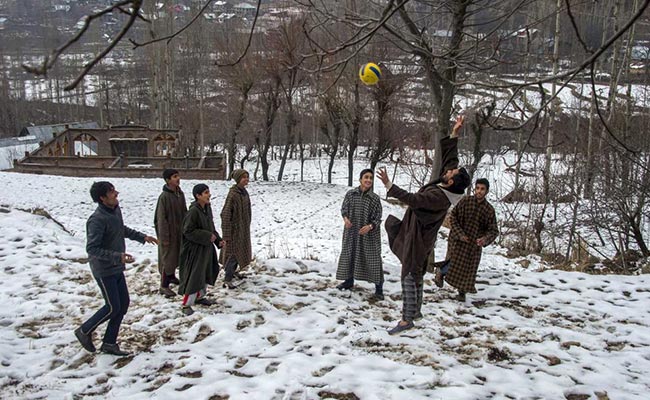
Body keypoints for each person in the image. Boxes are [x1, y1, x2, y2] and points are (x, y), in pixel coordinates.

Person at [377, 115, 471, 335]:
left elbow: (414, 200)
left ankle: (406, 319)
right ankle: (416, 312)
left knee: (409, 274)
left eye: (450, 173)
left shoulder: (440, 197)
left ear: (450, 182)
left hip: (418, 237)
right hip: (417, 233)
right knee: (416, 271)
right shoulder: (450, 186)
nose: (448, 170)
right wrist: (455, 133)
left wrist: (390, 185)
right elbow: (451, 161)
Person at [74, 182, 158, 356]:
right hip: (104, 270)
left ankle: (109, 343)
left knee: (123, 304)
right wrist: (116, 256)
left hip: (116, 267)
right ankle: (84, 331)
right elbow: (92, 249)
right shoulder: (96, 220)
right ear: (102, 198)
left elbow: (121, 230)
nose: (116, 193)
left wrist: (143, 237)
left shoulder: (115, 211)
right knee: (112, 306)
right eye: (111, 192)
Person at [434, 178, 499, 301]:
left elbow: (493, 230)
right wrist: (460, 234)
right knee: (454, 263)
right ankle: (441, 272)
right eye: (478, 188)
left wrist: (484, 240)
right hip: (458, 240)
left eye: (482, 189)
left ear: (487, 191)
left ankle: (462, 292)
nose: (479, 191)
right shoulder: (465, 201)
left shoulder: (489, 210)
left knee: (469, 268)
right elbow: (453, 217)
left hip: (474, 244)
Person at [335, 168, 384, 300]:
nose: (368, 180)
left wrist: (370, 226)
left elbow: (378, 218)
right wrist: (346, 219)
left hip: (369, 235)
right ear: (360, 179)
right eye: (366, 177)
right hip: (352, 232)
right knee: (350, 255)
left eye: (371, 178)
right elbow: (344, 209)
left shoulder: (374, 198)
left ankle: (379, 289)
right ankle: (349, 281)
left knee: (373, 259)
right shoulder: (351, 194)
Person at [178, 184, 224, 316]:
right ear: (198, 196)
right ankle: (186, 304)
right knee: (195, 276)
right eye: (205, 193)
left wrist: (217, 240)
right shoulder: (193, 212)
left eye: (208, 192)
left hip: (206, 248)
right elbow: (188, 231)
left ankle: (200, 296)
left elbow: (210, 227)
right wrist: (207, 236)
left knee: (205, 272)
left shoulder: (207, 208)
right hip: (195, 250)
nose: (209, 195)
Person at [154, 168, 187, 297]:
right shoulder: (164, 197)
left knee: (176, 256)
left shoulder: (180, 193)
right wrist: (164, 237)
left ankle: (172, 276)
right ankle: (164, 285)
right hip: (169, 233)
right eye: (174, 177)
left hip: (179, 231)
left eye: (178, 176)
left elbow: (184, 211)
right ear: (168, 180)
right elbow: (161, 219)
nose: (178, 178)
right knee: (168, 258)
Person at [220, 169, 252, 289]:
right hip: (234, 231)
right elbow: (226, 214)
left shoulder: (244, 192)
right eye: (244, 177)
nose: (246, 179)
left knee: (240, 253)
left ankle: (233, 272)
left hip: (243, 229)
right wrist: (227, 233)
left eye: (247, 177)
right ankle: (227, 278)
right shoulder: (233, 194)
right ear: (238, 179)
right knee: (233, 254)